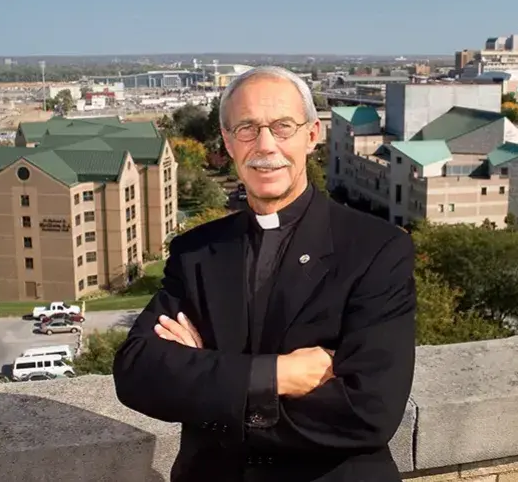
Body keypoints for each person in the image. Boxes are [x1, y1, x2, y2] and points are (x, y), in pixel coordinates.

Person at [113, 66, 416, 482]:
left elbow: (370, 411)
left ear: (312, 136)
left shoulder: (376, 249)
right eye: (247, 129)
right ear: (227, 142)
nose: (266, 145)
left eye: (282, 126)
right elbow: (137, 373)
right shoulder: (196, 252)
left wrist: (210, 388)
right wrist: (277, 375)